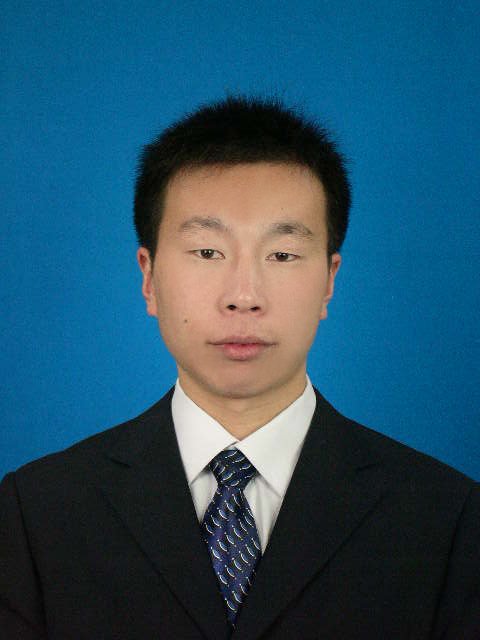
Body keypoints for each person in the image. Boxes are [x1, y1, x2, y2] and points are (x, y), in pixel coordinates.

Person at [1, 96, 478, 640]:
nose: (244, 296)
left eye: (282, 255)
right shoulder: (36, 514)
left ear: (329, 280)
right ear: (148, 277)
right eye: (207, 252)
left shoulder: (447, 519)